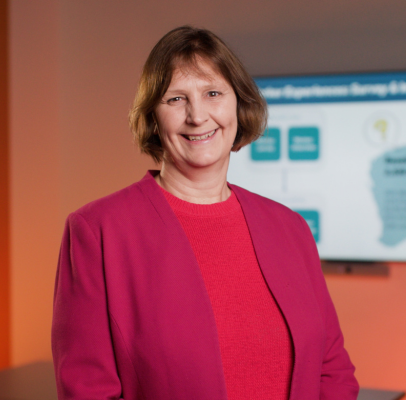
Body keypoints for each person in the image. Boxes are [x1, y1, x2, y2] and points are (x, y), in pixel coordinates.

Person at [52, 26, 359, 400]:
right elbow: (88, 390)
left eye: (213, 93)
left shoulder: (289, 227)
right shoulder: (98, 231)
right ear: (153, 116)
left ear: (237, 104)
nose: (197, 116)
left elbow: (333, 370)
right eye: (176, 99)